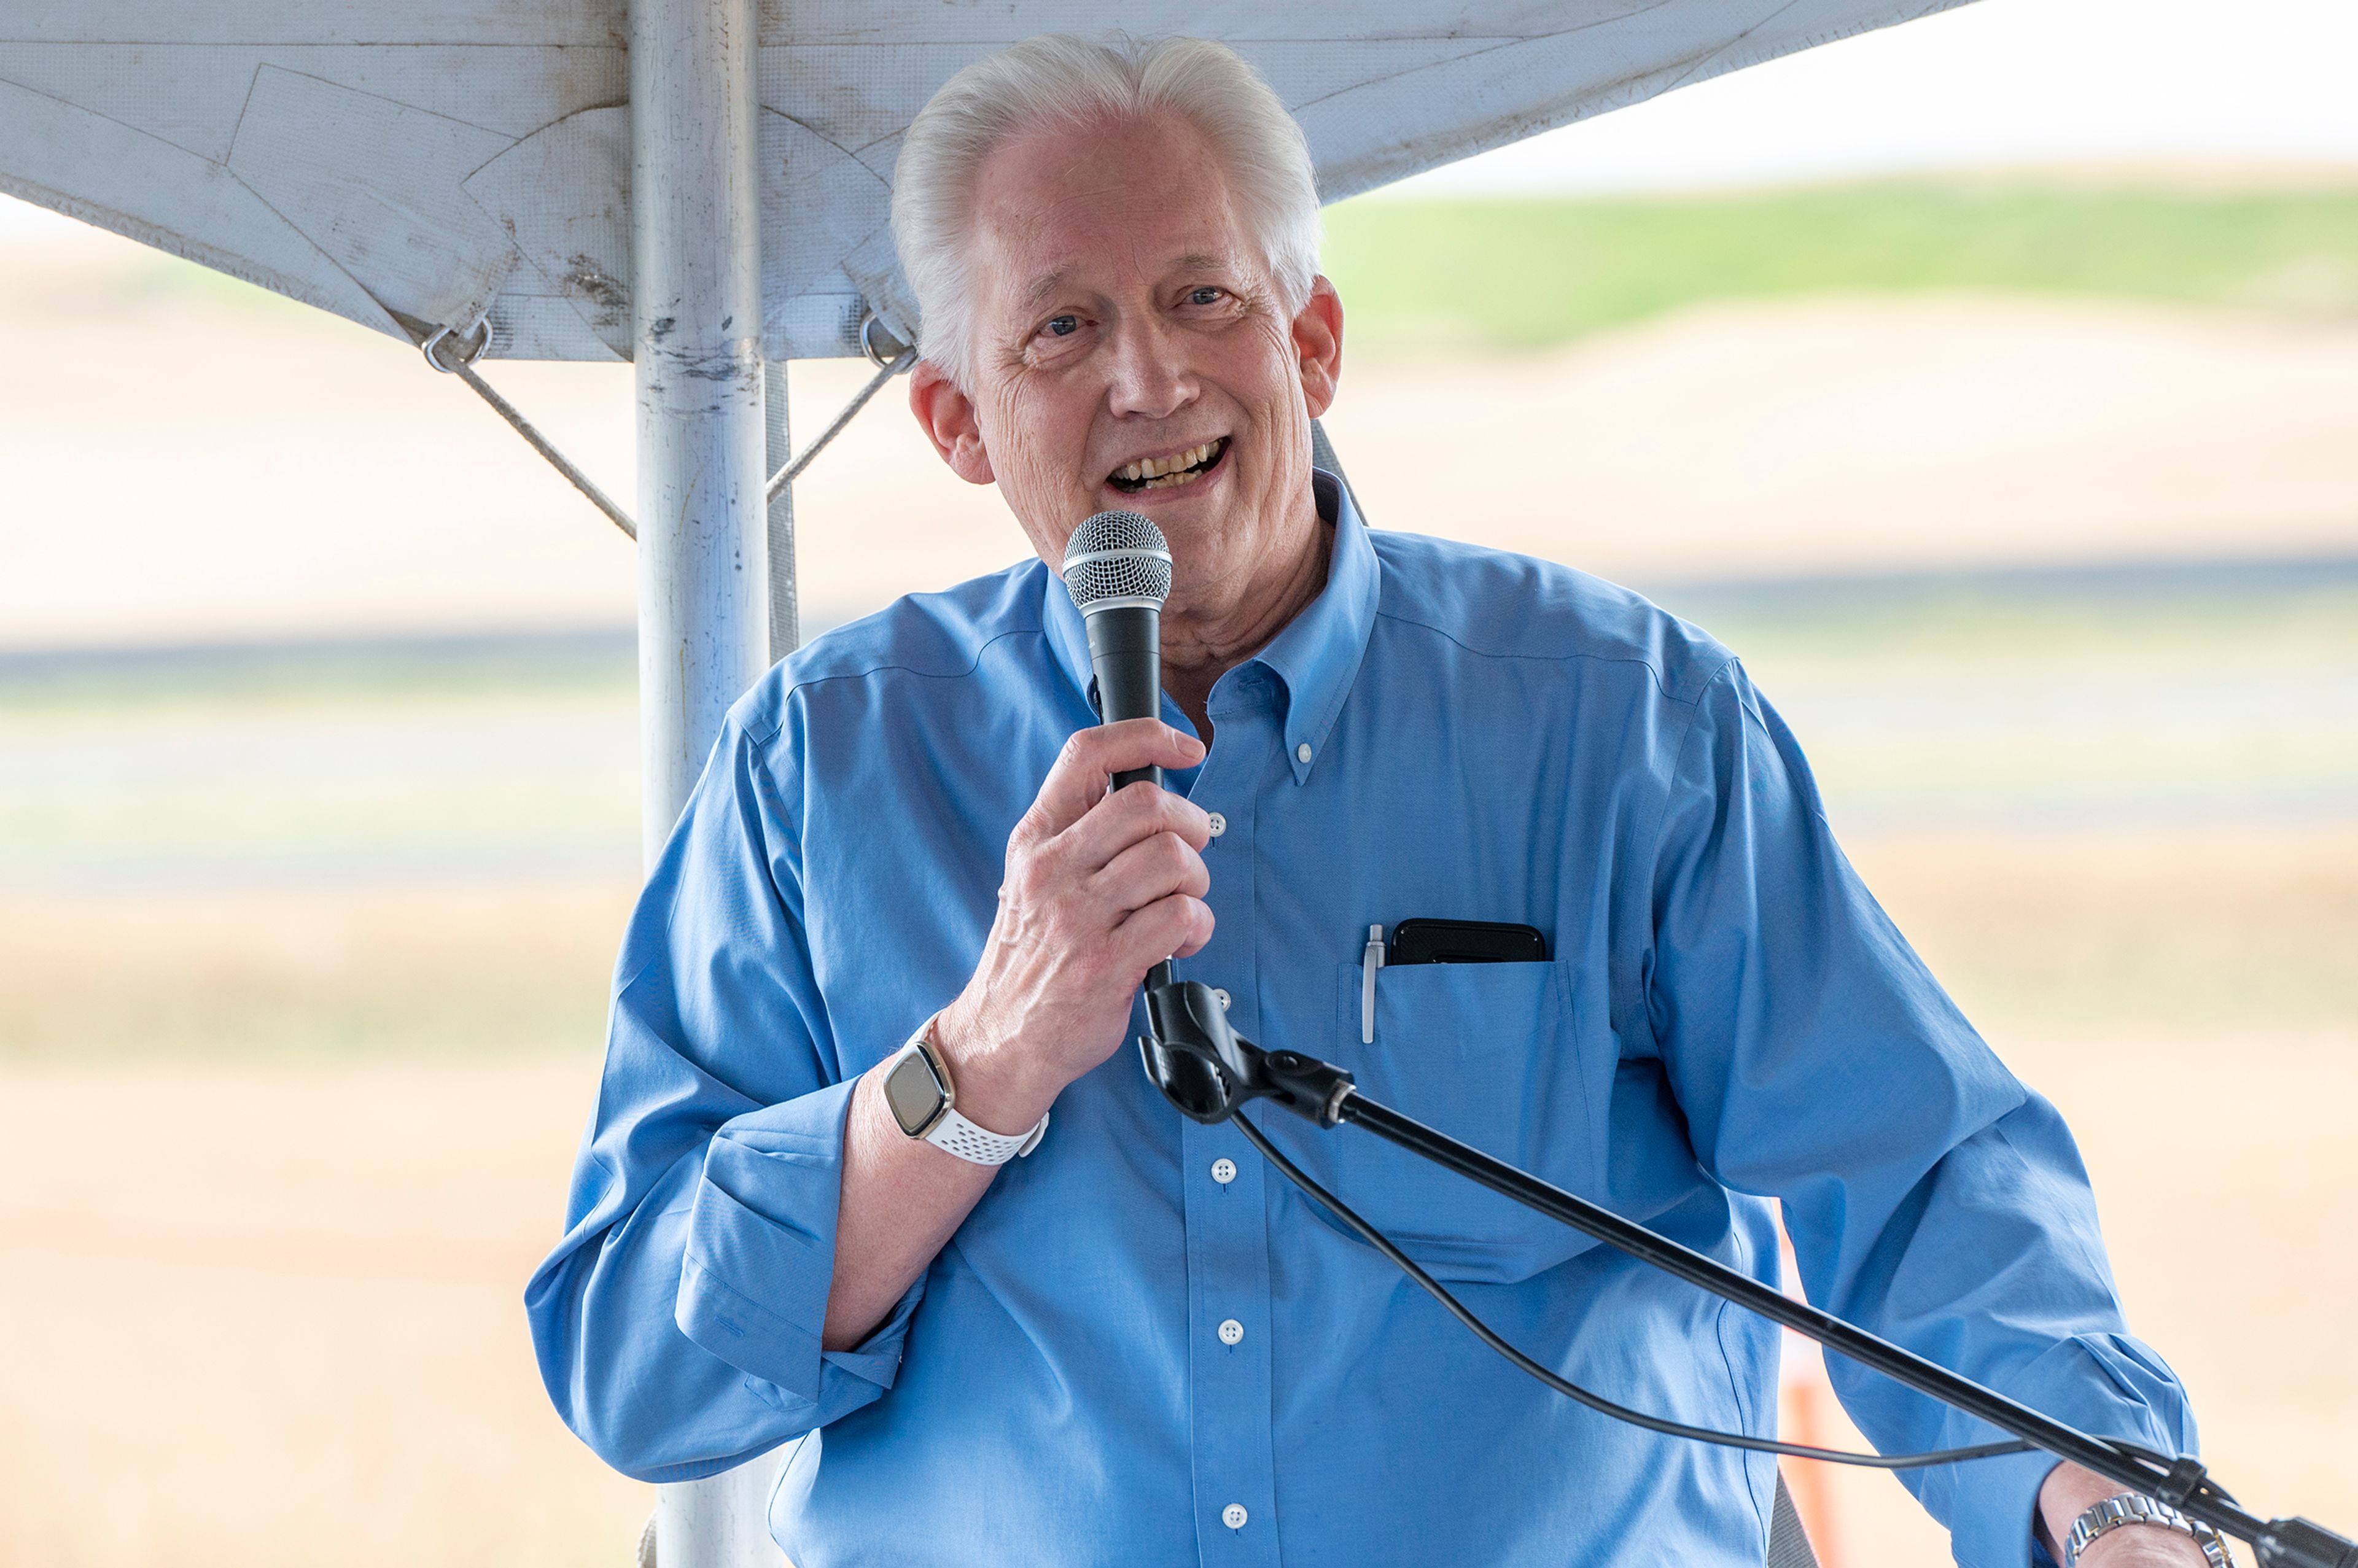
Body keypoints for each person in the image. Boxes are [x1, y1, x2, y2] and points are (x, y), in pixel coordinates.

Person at [527, 34, 2216, 1568]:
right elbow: (636, 1363)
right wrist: (976, 1068)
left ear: (1313, 341)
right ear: (960, 422)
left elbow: (1917, 1179)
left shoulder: (1622, 723)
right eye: (1064, 326)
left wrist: (2110, 1499)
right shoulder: (816, 766)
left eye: (1204, 299)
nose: (1148, 380)